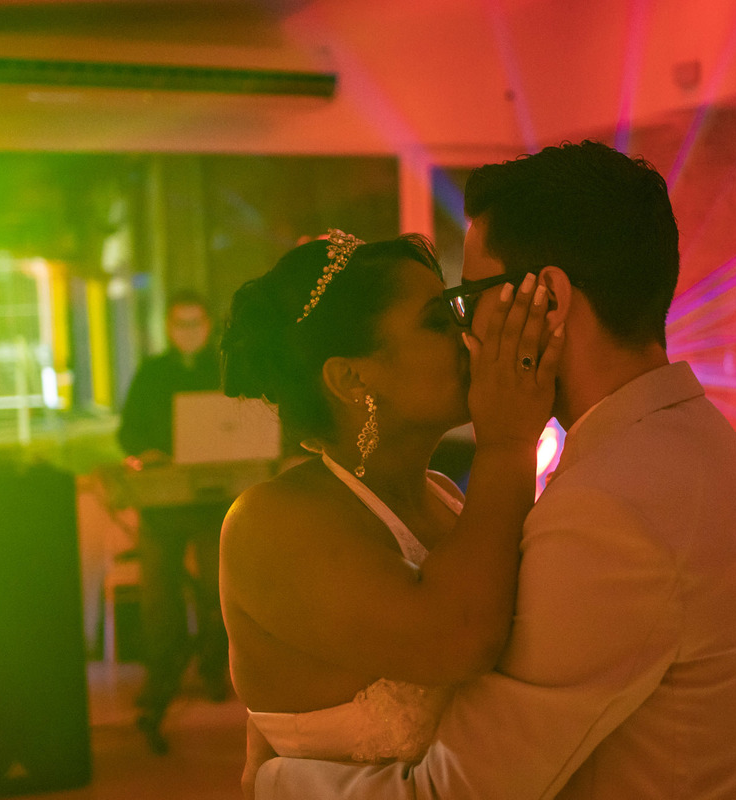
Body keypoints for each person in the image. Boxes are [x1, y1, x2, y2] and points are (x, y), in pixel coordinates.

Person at [252, 141, 736, 798]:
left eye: (471, 296)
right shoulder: (689, 438)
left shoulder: (608, 509)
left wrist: (275, 780)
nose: (469, 333)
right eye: (443, 316)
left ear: (549, 301)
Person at [220, 231, 562, 776]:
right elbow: (459, 638)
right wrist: (507, 442)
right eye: (438, 322)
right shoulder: (269, 524)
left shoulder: (443, 495)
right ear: (351, 377)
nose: (468, 335)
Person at [116, 289, 230, 754]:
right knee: (159, 597)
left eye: (195, 323)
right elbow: (127, 432)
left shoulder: (222, 370)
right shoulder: (151, 373)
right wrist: (146, 453)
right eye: (180, 324)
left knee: (219, 591)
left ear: (208, 326)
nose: (188, 332)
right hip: (163, 502)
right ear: (167, 327)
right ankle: (161, 676)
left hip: (213, 500)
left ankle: (215, 670)